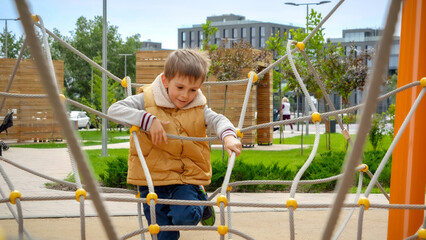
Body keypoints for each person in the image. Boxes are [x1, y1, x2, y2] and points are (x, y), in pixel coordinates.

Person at [108, 49, 242, 240]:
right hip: (152, 181)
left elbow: (217, 120)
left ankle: (200, 200)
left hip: (184, 178)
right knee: (163, 233)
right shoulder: (146, 100)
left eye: (193, 89)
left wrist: (228, 136)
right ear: (165, 81)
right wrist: (147, 120)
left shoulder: (198, 106)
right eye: (180, 87)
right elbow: (114, 110)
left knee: (184, 217)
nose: (186, 95)